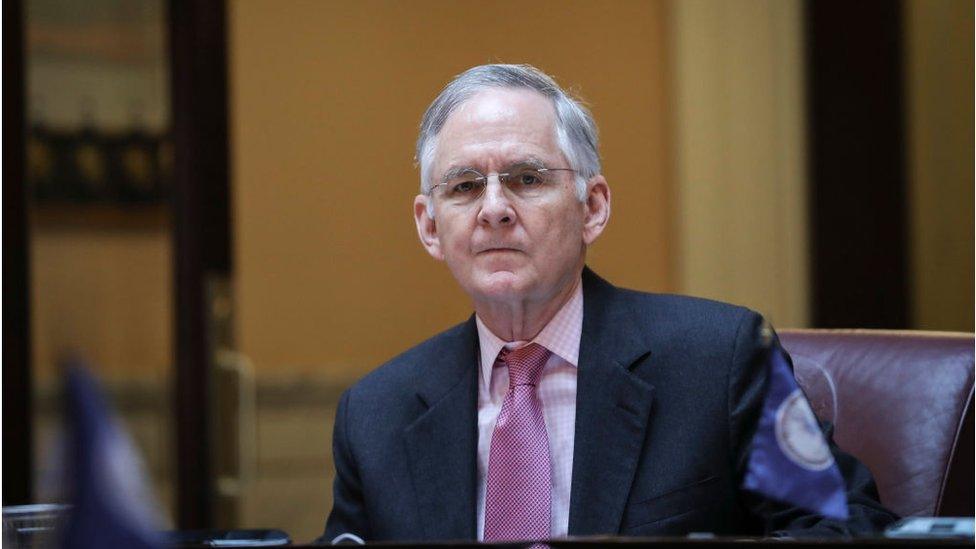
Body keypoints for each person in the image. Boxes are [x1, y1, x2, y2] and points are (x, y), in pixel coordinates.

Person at [320, 64, 895, 544]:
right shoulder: (376, 415)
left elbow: (850, 528)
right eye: (465, 186)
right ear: (429, 227)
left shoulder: (719, 360)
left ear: (592, 206)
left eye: (526, 177)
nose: (493, 208)